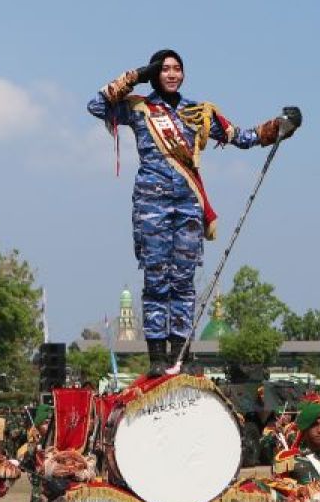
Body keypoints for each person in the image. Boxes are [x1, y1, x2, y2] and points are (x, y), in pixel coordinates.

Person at [88, 49, 301, 375]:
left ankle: (181, 353)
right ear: (155, 73)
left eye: (177, 69)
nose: (172, 74)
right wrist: (136, 75)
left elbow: (242, 137)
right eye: (164, 69)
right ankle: (157, 357)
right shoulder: (138, 107)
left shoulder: (197, 112)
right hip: (151, 205)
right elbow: (97, 106)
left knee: (184, 283)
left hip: (188, 206)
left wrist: (281, 127)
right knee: (157, 281)